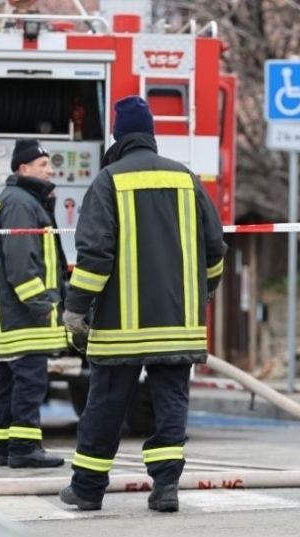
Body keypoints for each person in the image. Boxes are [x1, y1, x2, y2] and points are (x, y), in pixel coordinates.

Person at [58, 96, 226, 512]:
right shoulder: (187, 179)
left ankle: (87, 489)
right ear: (151, 134)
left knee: (106, 406)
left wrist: (76, 308)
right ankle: (166, 488)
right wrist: (202, 292)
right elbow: (215, 248)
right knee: (171, 404)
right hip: (176, 322)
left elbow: (95, 255)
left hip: (121, 328)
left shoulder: (108, 180)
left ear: (117, 135)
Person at [0, 138, 68, 469]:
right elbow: (22, 265)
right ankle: (24, 447)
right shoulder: (21, 204)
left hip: (12, 313)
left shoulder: (21, 200)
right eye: (43, 165)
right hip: (25, 314)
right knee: (30, 380)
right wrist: (43, 305)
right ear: (24, 168)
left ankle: (6, 447)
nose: (51, 170)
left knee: (8, 378)